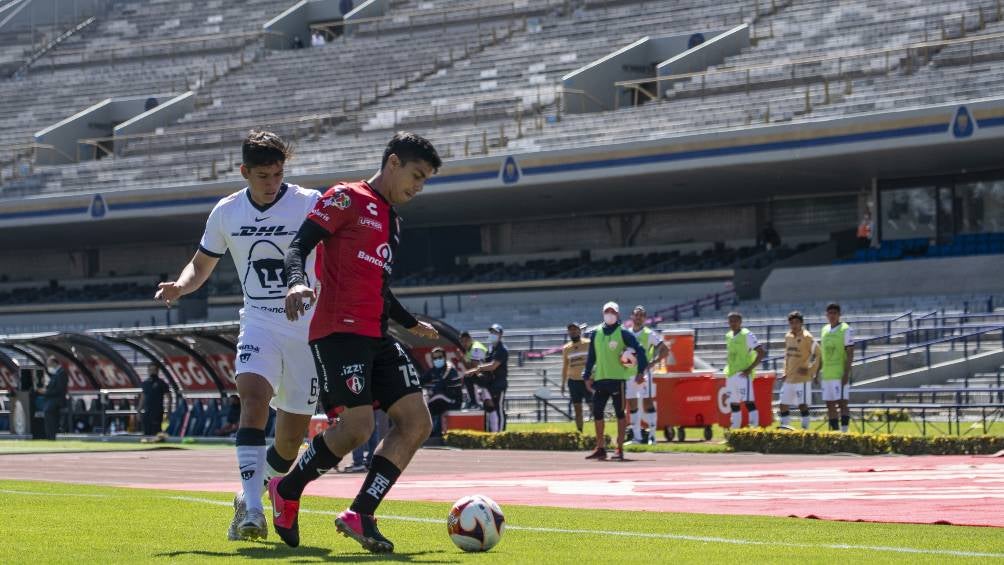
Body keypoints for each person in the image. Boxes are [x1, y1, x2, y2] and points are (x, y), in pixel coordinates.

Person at [271, 131, 442, 553]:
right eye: (416, 176)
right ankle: (287, 488)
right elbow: (298, 246)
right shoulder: (345, 197)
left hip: (376, 334)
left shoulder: (392, 220)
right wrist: (295, 284)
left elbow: (378, 285)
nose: (417, 188)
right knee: (357, 428)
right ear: (393, 162)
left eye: (425, 182)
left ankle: (360, 513)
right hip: (338, 331)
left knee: (418, 421)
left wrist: (409, 321)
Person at [154, 130, 321, 542]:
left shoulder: (310, 203)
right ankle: (251, 509)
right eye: (263, 175)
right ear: (245, 172)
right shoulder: (227, 212)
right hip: (259, 321)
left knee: (290, 440)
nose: (272, 183)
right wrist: (180, 285)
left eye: (278, 174)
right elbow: (201, 265)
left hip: (307, 327)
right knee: (252, 399)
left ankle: (251, 490)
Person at [582, 302, 647, 461]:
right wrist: (587, 375)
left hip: (618, 380)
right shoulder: (596, 333)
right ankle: (600, 447)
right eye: (607, 311)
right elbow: (592, 356)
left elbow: (640, 349)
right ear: (603, 313)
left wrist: (640, 371)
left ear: (617, 314)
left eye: (612, 311)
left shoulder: (623, 332)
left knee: (619, 413)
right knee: (597, 412)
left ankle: (619, 448)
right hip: (600, 379)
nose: (609, 314)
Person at [626, 306, 667, 444]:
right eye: (636, 315)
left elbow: (664, 349)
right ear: (632, 316)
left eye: (641, 315)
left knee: (647, 401)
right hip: (629, 373)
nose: (638, 317)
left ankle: (652, 436)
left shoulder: (649, 334)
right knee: (632, 403)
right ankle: (636, 437)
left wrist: (652, 363)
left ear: (645, 318)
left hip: (644, 373)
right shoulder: (626, 334)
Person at [724, 312, 765, 429]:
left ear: (740, 322)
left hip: (743, 374)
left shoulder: (747, 335)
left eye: (735, 321)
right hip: (731, 374)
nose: (733, 323)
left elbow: (761, 352)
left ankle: (754, 430)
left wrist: (749, 369)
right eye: (730, 321)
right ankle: (735, 430)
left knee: (748, 402)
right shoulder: (728, 335)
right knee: (734, 403)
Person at [779, 311, 819, 430]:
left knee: (802, 405)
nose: (794, 325)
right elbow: (787, 356)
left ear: (801, 323)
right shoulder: (788, 336)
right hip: (789, 378)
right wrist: (784, 372)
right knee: (783, 404)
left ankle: (805, 430)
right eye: (791, 323)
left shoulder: (807, 337)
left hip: (802, 379)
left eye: (796, 322)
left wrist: (811, 371)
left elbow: (818, 354)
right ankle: (785, 429)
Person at [465, 324, 508, 432]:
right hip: (489, 382)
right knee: (468, 377)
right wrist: (476, 372)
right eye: (491, 332)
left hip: (498, 384)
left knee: (498, 408)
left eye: (495, 333)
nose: (493, 335)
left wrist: (478, 369)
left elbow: (493, 365)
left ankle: (501, 434)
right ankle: (473, 402)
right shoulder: (490, 349)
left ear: (500, 335)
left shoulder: (502, 350)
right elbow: (485, 364)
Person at [819, 303, 854, 432]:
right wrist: (818, 370)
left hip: (839, 373)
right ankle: (835, 433)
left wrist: (846, 373)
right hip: (827, 374)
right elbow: (823, 353)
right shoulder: (824, 329)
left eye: (835, 313)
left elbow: (850, 353)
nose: (832, 316)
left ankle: (844, 433)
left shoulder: (846, 329)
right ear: (826, 315)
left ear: (839, 314)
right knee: (829, 404)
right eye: (830, 313)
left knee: (842, 403)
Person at [422, 347, 462, 437]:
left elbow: (441, 386)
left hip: (453, 400)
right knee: (430, 402)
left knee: (437, 398)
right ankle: (431, 431)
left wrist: (431, 392)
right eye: (435, 358)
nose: (437, 360)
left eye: (440, 357)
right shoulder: (433, 370)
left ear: (444, 357)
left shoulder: (449, 369)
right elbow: (421, 380)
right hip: (440, 400)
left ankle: (435, 432)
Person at [560, 322, 591, 433]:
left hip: (587, 381)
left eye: (575, 329)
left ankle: (599, 434)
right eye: (570, 330)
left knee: (593, 406)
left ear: (579, 331)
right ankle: (580, 432)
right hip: (573, 382)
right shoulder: (566, 348)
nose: (572, 332)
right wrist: (563, 384)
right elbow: (565, 367)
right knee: (578, 409)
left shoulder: (588, 343)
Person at [39, 357, 68, 440]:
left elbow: (59, 389)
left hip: (56, 402)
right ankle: (50, 437)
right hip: (51, 402)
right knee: (49, 420)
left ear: (54, 363)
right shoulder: (56, 374)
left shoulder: (61, 373)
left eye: (49, 364)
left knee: (52, 421)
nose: (48, 366)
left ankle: (52, 437)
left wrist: (46, 392)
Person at [458, 331, 487, 409]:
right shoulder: (469, 350)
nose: (464, 344)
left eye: (466, 341)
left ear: (470, 339)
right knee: (467, 377)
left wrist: (462, 359)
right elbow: (470, 368)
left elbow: (474, 367)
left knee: (467, 377)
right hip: (482, 373)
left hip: (488, 375)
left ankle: (474, 402)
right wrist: (462, 359)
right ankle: (473, 401)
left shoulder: (475, 348)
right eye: (462, 342)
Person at [138, 364, 170, 436]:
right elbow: (143, 397)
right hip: (147, 411)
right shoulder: (145, 383)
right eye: (150, 370)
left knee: (156, 430)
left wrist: (168, 411)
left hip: (157, 411)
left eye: (154, 370)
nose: (152, 372)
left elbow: (169, 397)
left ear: (157, 371)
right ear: (148, 371)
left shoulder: (162, 383)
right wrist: (139, 410)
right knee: (146, 430)